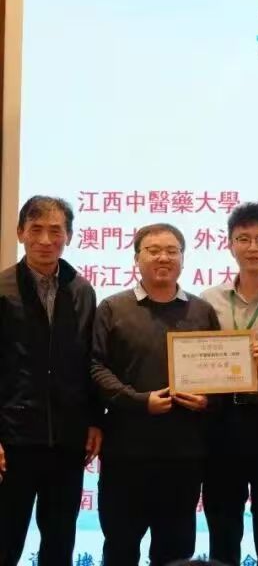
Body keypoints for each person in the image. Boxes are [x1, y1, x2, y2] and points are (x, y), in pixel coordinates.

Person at [91, 223, 221, 566]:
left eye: (172, 251)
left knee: (175, 551)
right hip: (125, 452)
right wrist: (139, 401)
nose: (163, 257)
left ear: (183, 259)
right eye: (153, 250)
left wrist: (208, 400)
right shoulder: (112, 308)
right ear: (136, 259)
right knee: (120, 547)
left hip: (184, 455)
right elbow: (95, 367)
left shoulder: (201, 311)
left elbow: (219, 374)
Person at [0, 196, 100, 566]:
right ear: (20, 233)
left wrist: (95, 420)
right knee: (5, 538)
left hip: (67, 441)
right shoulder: (3, 289)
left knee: (59, 541)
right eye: (36, 229)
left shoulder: (82, 290)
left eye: (55, 231)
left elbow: (90, 362)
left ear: (68, 236)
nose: (45, 240)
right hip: (13, 440)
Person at [200, 203, 258, 566]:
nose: (253, 247)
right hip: (221, 420)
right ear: (230, 244)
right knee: (222, 522)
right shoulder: (208, 300)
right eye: (244, 239)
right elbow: (196, 361)